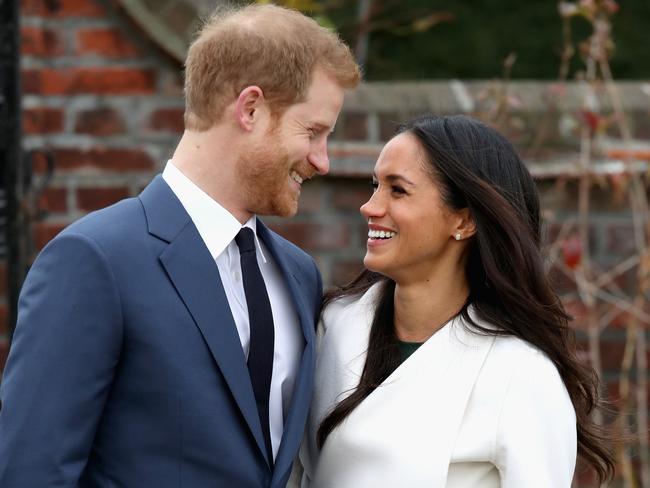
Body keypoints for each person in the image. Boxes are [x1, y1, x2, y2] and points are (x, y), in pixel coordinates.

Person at [0, 4, 360, 487]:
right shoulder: (95, 260)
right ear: (250, 108)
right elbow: (31, 472)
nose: (323, 161)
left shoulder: (298, 273)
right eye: (313, 132)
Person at [296, 115, 614, 487]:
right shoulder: (332, 327)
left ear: (463, 221)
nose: (370, 206)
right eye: (375, 186)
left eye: (397, 190)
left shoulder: (519, 374)